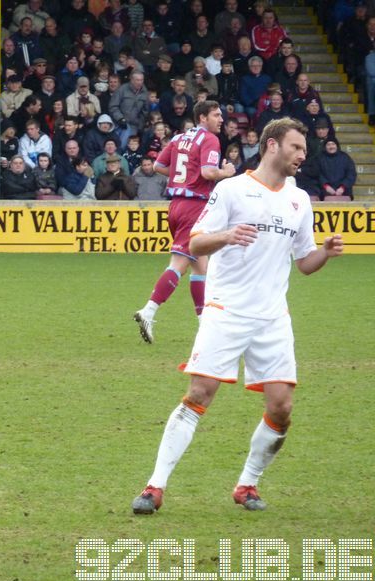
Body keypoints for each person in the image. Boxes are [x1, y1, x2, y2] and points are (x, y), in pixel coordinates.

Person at [131, 117, 344, 515]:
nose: (303, 154)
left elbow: (305, 263)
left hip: (272, 318)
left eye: (304, 149)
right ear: (272, 146)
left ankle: (247, 484)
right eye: (296, 147)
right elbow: (196, 241)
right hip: (226, 309)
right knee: (199, 394)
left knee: (282, 408)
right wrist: (227, 236)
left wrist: (326, 253)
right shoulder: (232, 189)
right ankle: (154, 487)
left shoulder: (300, 200)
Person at [133, 101, 237, 343]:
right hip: (195, 207)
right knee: (179, 263)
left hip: (176, 205)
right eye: (216, 114)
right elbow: (209, 173)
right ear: (203, 118)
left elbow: (159, 165)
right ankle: (148, 310)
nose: (221, 119)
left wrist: (184, 178)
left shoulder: (179, 138)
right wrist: (227, 172)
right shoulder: (210, 139)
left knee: (201, 267)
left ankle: (205, 326)